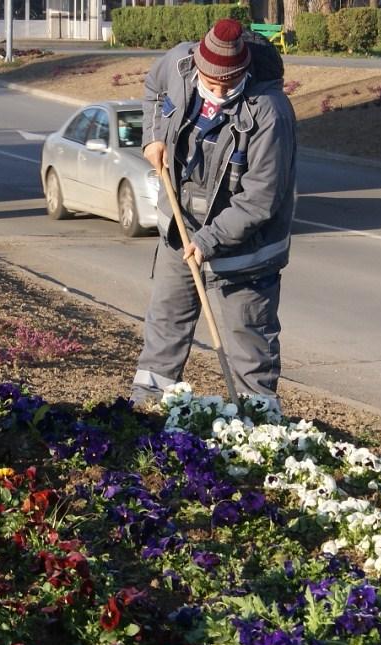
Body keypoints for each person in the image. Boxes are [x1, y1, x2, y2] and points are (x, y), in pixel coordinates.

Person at [131, 18, 296, 408]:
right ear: (197, 65)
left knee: (248, 343)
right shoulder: (179, 64)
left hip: (246, 251)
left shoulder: (271, 113)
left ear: (244, 72)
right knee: (165, 328)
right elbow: (154, 91)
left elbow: (261, 198)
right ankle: (145, 412)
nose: (218, 92)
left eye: (228, 85)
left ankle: (258, 430)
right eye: (211, 83)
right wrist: (153, 138)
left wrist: (208, 241)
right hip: (181, 229)